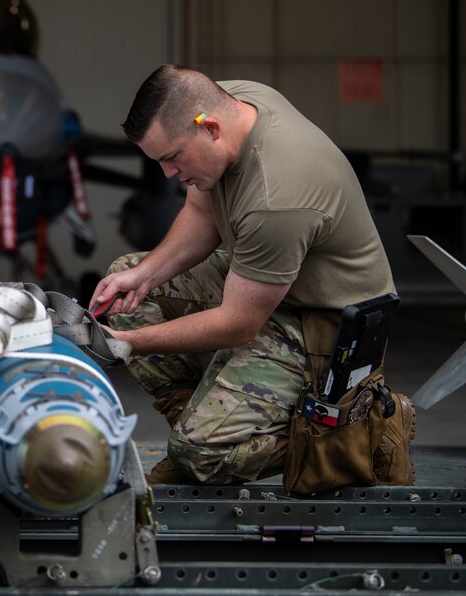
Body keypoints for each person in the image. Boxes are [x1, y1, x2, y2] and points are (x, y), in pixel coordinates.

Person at [89, 64, 394, 485]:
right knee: (129, 285)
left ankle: (349, 434)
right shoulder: (232, 103)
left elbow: (237, 325)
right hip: (270, 288)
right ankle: (200, 424)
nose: (168, 174)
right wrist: (144, 276)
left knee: (198, 456)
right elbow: (201, 210)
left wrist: (125, 345)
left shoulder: (279, 195)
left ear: (210, 128)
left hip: (324, 327)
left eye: (173, 157)